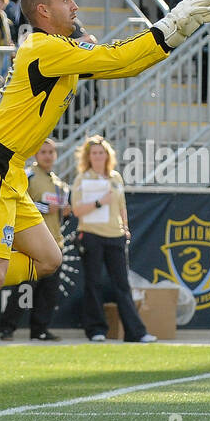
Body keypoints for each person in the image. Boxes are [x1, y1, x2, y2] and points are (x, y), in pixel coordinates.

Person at [0, 0, 210, 421]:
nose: (75, 4)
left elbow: (121, 64)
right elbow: (117, 58)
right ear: (42, 11)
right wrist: (170, 25)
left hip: (8, 171)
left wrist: (169, 36)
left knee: (47, 258)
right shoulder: (43, 48)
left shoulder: (55, 50)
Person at [69, 134, 154, 343]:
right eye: (94, 153)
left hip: (115, 235)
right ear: (88, 157)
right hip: (91, 235)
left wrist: (125, 227)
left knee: (122, 284)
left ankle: (136, 332)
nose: (98, 156)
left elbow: (122, 205)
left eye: (101, 152)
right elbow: (77, 210)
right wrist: (99, 202)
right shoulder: (82, 179)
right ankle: (96, 329)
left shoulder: (115, 177)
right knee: (93, 283)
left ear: (108, 155)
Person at [0, 139, 70, 341]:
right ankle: (7, 327)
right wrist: (47, 207)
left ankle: (40, 330)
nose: (48, 156)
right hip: (33, 243)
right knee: (25, 289)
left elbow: (60, 215)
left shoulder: (59, 182)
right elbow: (17, 203)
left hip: (55, 242)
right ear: (36, 155)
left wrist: (66, 212)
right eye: (43, 152)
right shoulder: (28, 176)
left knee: (49, 292)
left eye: (51, 152)